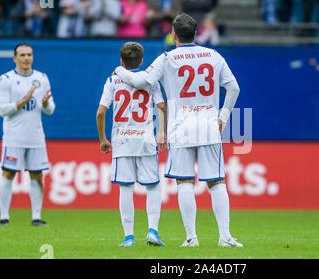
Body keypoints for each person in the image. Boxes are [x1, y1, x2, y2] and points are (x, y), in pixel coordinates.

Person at [114, 13, 243, 247]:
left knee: (185, 182)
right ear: (195, 33)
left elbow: (142, 81)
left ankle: (191, 237)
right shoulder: (213, 55)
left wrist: (119, 71)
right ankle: (225, 236)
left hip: (180, 127)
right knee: (217, 182)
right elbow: (233, 88)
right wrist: (223, 116)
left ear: (174, 35)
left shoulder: (167, 58)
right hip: (208, 126)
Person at [96, 42, 167, 247]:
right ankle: (152, 231)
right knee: (153, 185)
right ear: (142, 61)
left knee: (126, 188)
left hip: (122, 140)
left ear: (121, 61)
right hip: (145, 139)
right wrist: (161, 132)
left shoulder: (112, 81)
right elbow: (161, 106)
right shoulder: (151, 81)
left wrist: (102, 139)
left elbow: (101, 112)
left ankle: (129, 238)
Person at [0, 43, 55, 227]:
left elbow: (51, 110)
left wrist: (45, 104)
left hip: (36, 137)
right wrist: (24, 100)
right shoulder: (6, 79)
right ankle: (4, 216)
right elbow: (2, 110)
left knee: (37, 175)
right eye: (22, 55)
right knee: (8, 174)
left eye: (29, 54)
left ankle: (36, 217)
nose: (26, 58)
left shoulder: (42, 78)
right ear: (14, 58)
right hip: (14, 137)